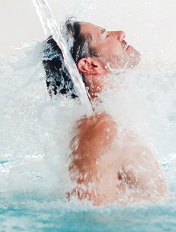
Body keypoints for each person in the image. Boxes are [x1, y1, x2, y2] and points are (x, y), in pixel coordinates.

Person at [42, 20, 168, 206]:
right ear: (91, 66)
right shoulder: (100, 130)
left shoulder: (108, 120)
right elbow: (88, 217)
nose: (121, 33)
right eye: (105, 35)